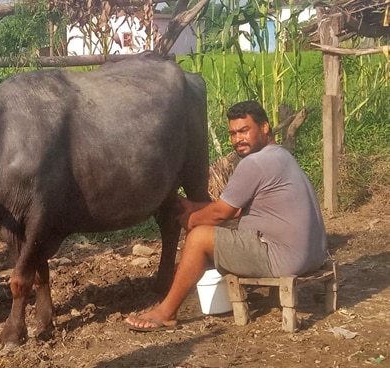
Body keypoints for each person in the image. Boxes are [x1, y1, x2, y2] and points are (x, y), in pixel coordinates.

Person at [124, 101, 328, 331]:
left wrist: (191, 220)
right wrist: (193, 206)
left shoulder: (254, 163)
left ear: (264, 127)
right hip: (312, 254)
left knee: (199, 238)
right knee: (209, 231)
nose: (238, 139)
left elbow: (222, 213)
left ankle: (166, 312)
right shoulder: (280, 155)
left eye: (244, 131)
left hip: (283, 259)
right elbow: (237, 208)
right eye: (232, 133)